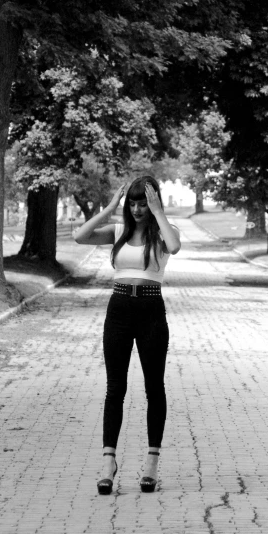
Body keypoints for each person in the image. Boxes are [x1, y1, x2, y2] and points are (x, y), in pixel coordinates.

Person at [74, 176, 181, 494]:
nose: (136, 209)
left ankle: (151, 464)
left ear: (152, 204)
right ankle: (109, 462)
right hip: (119, 309)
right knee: (114, 388)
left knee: (154, 387)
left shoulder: (163, 232)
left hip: (150, 310)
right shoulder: (118, 232)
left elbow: (174, 247)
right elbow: (80, 236)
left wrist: (158, 211)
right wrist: (108, 209)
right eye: (132, 203)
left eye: (142, 203)